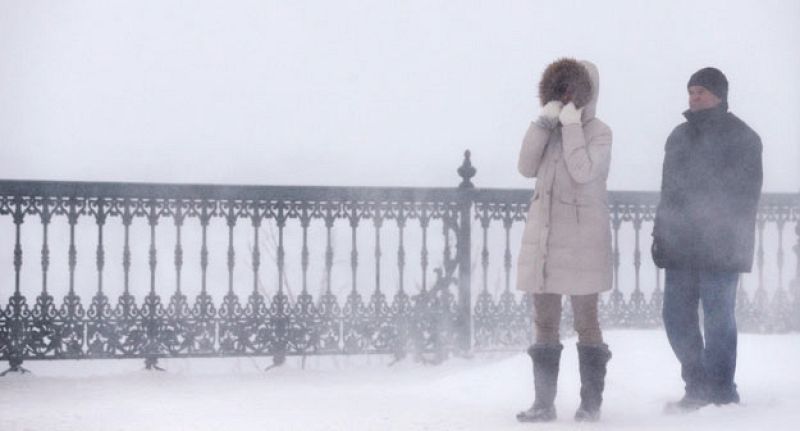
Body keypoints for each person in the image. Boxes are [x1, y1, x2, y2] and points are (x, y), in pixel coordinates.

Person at [652, 67, 763, 413]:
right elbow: (668, 191)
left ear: (719, 94)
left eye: (700, 91)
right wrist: (660, 232)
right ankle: (696, 384)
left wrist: (729, 234)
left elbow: (747, 195)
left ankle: (721, 389)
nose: (693, 97)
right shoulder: (678, 136)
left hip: (721, 244)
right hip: (681, 242)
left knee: (718, 318)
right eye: (690, 91)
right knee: (676, 317)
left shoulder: (744, 137)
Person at [515, 58, 613, 423]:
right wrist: (544, 122)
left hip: (584, 243)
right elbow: (525, 166)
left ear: (588, 92)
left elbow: (585, 171)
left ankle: (591, 404)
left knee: (586, 322)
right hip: (545, 240)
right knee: (544, 321)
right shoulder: (550, 129)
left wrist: (572, 127)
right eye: (563, 87)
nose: (569, 95)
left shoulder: (601, 132)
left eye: (576, 88)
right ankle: (543, 403)